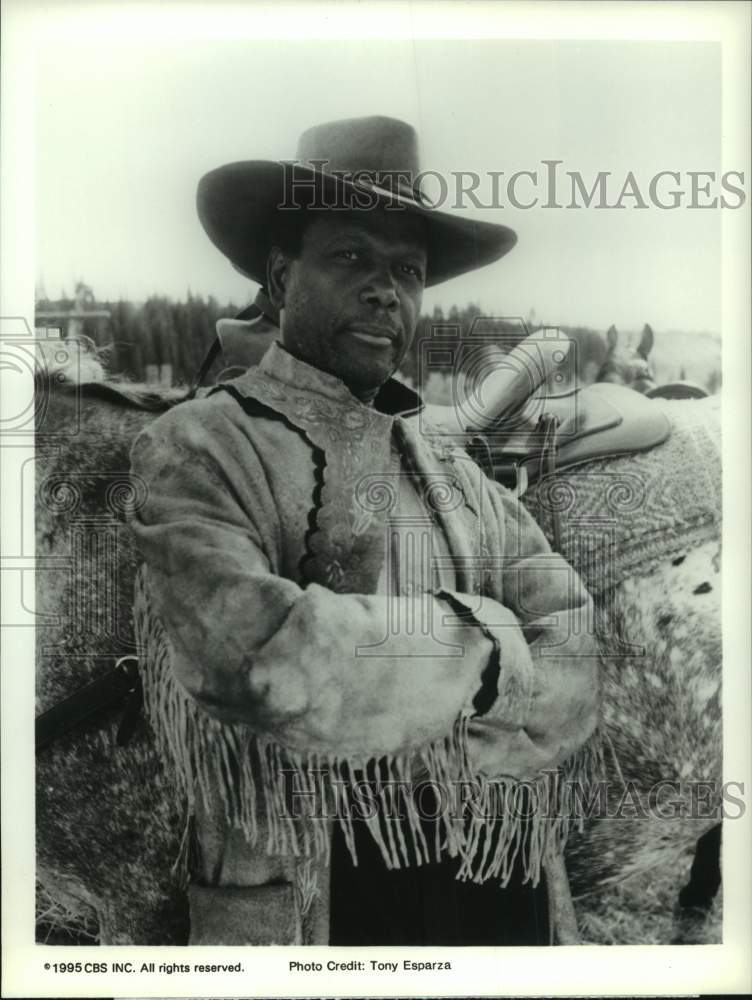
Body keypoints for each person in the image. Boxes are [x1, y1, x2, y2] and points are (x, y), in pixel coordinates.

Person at [128, 116, 601, 946]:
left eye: (408, 271)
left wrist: (462, 708)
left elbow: (570, 629)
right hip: (321, 891)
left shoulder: (448, 468)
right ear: (281, 278)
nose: (388, 291)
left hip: (492, 869)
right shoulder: (203, 444)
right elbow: (258, 659)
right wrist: (488, 655)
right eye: (351, 257)